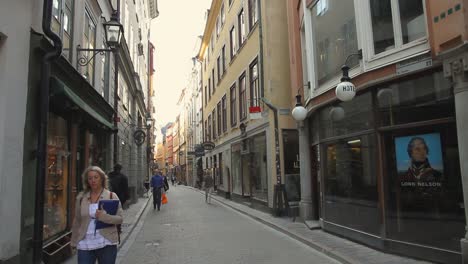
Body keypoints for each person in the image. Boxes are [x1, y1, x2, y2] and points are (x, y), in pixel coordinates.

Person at [70, 166, 123, 264]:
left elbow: (120, 219)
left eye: (96, 177)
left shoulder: (111, 196)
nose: (93, 180)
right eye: (90, 178)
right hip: (85, 243)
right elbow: (77, 221)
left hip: (106, 242)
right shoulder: (81, 198)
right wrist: (73, 241)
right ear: (87, 181)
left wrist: (104, 217)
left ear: (102, 179)